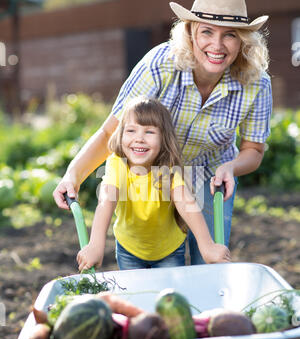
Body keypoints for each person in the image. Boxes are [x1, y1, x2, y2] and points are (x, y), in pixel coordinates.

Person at [53, 0, 272, 265]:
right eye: (207, 32)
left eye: (230, 35)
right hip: (154, 173)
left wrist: (230, 168)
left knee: (211, 260)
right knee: (158, 253)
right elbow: (111, 132)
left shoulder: (256, 83)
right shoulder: (160, 65)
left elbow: (254, 150)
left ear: (244, 42)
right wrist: (72, 175)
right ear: (190, 32)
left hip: (210, 173)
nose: (217, 45)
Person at [76, 96, 230, 271]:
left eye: (149, 132)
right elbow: (106, 201)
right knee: (135, 295)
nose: (139, 138)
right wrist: (96, 244)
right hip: (130, 248)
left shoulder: (167, 167)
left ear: (163, 138)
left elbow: (186, 203)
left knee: (169, 296)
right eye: (131, 131)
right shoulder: (118, 163)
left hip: (169, 250)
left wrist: (207, 245)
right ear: (120, 134)